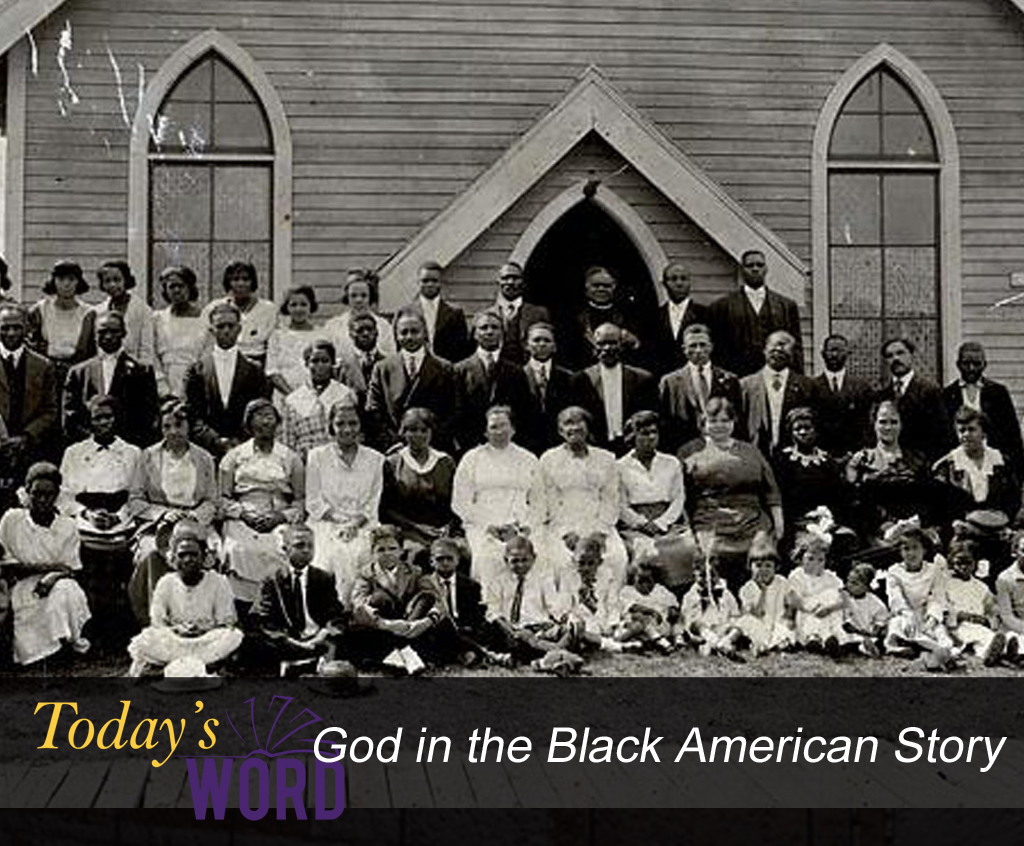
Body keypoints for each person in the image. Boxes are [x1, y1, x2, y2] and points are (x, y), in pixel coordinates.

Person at [58, 395, 142, 652]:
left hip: (121, 520)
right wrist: (86, 514)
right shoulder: (74, 453)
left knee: (121, 557)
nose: (103, 422)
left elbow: (138, 494)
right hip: (86, 520)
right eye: (97, 417)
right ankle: (91, 628)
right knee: (86, 557)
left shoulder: (132, 453)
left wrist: (118, 516)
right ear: (89, 421)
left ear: (117, 419)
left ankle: (119, 632)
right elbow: (64, 496)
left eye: (108, 416)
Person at [127, 399, 220, 627]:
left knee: (214, 553)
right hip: (159, 525)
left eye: (178, 426)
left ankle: (201, 620)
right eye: (166, 426)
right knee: (151, 552)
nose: (173, 432)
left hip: (196, 523)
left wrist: (195, 516)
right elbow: (135, 500)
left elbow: (212, 500)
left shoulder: (204, 458)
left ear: (189, 427)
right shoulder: (147, 456)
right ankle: (157, 622)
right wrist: (162, 513)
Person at [680, 397, 783, 595]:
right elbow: (680, 495)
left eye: (725, 421)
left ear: (734, 422)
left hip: (752, 518)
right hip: (710, 519)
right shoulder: (690, 451)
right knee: (711, 555)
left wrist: (778, 522)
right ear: (703, 423)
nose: (720, 426)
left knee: (762, 553)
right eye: (714, 421)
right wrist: (688, 528)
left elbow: (771, 490)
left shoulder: (750, 450)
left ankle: (761, 604)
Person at [0, 462, 91, 666]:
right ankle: (44, 653)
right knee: (30, 609)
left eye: (48, 494)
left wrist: (53, 576)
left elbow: (72, 569)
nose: (42, 499)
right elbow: (7, 565)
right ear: (27, 492)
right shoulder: (12, 520)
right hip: (21, 585)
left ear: (57, 495)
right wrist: (51, 568)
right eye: (36, 493)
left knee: (68, 590)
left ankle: (66, 643)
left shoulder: (67, 526)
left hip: (58, 582)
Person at [220, 399, 305, 611]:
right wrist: (243, 514)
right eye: (258, 416)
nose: (265, 421)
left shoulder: (290, 458)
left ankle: (276, 609)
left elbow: (301, 499)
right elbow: (222, 498)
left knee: (282, 548)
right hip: (242, 517)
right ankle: (242, 608)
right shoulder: (234, 457)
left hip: (278, 516)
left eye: (270, 416)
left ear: (277, 422)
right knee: (237, 549)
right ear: (249, 424)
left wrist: (281, 517)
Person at [127, 522, 242, 678]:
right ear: (173, 558)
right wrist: (177, 630)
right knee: (145, 639)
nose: (188, 559)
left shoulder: (219, 581)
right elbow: (157, 622)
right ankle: (206, 666)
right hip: (175, 640)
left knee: (232, 636)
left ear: (203, 557)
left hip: (206, 640)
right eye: (182, 555)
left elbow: (226, 620)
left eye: (194, 554)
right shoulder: (165, 582)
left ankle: (168, 667)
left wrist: (203, 630)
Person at [532, 406, 628, 588]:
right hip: (563, 524)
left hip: (598, 522)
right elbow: (548, 501)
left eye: (579, 422)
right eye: (568, 423)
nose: (574, 428)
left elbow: (611, 499)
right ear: (560, 430)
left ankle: (608, 608)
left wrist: (600, 532)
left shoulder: (606, 458)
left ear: (587, 427)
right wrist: (566, 534)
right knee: (562, 561)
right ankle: (570, 610)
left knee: (616, 557)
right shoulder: (548, 459)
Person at [452, 405, 539, 594]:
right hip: (482, 524)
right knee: (488, 558)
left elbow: (539, 501)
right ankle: (492, 612)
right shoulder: (472, 458)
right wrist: (488, 526)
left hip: (520, 523)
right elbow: (460, 501)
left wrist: (521, 526)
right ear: (485, 431)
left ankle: (527, 610)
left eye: (503, 425)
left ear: (513, 429)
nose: (499, 431)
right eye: (493, 427)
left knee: (534, 554)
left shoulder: (529, 459)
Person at [306, 401, 385, 603]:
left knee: (360, 551)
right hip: (326, 522)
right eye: (340, 423)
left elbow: (373, 502)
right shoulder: (317, 457)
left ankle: (359, 609)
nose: (347, 429)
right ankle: (336, 611)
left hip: (364, 523)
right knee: (333, 553)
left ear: (360, 426)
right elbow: (314, 502)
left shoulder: (376, 459)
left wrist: (354, 524)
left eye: (353, 423)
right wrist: (341, 521)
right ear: (331, 426)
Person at [250, 523, 346, 675]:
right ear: (286, 549)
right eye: (299, 546)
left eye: (310, 546)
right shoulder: (272, 579)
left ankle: (320, 666)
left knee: (342, 637)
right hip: (288, 640)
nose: (306, 550)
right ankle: (296, 665)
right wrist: (289, 641)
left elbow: (336, 613)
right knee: (258, 642)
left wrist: (322, 634)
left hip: (318, 638)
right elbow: (263, 617)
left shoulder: (324, 577)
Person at [347, 525, 443, 673]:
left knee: (427, 598)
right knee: (379, 598)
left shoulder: (414, 571)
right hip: (382, 626)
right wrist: (386, 624)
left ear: (401, 551)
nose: (387, 554)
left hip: (411, 623)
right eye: (381, 550)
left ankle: (402, 652)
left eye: (392, 549)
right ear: (372, 553)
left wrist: (423, 622)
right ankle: (405, 651)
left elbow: (435, 598)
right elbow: (359, 605)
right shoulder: (365, 574)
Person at [184, 301, 272, 460]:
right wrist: (216, 441)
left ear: (239, 329)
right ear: (212, 330)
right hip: (206, 451)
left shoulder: (254, 371)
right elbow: (192, 415)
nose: (226, 331)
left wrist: (239, 442)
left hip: (246, 450)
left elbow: (260, 411)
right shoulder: (197, 370)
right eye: (220, 326)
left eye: (231, 326)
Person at [63, 310, 160, 448]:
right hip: (89, 449)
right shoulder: (78, 373)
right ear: (94, 335)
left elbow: (149, 415)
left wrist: (126, 445)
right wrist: (93, 440)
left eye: (114, 331)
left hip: (128, 448)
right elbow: (70, 416)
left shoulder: (142, 372)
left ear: (124, 333)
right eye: (102, 332)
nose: (108, 336)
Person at [616, 411, 690, 592]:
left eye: (654, 432)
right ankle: (646, 598)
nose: (650, 437)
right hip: (635, 527)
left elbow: (678, 498)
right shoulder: (620, 466)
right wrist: (642, 523)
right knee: (644, 550)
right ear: (632, 436)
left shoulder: (671, 462)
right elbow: (620, 504)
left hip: (668, 524)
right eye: (644, 433)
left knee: (686, 547)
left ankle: (677, 597)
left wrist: (661, 523)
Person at [366, 306, 457, 452]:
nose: (409, 337)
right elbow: (374, 411)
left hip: (435, 448)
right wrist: (395, 441)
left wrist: (427, 440)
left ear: (425, 333)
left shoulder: (444, 368)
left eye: (415, 331)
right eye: (404, 332)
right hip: (395, 448)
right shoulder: (383, 368)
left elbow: (453, 410)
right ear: (396, 335)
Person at [845, 400, 935, 543]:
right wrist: (885, 527)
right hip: (877, 532)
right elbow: (856, 503)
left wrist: (916, 523)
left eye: (894, 422)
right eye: (882, 422)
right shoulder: (861, 460)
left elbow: (929, 499)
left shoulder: (918, 460)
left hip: (914, 528)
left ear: (901, 425)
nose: (888, 427)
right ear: (874, 424)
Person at [709, 248, 803, 377]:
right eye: (750, 265)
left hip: (777, 376)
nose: (755, 269)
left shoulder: (786, 306)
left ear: (766, 269)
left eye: (759, 265)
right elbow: (716, 350)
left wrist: (798, 379)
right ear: (742, 270)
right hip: (737, 377)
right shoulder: (722, 307)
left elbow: (795, 349)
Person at [482, 534, 572, 663]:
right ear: (506, 560)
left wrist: (564, 618)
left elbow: (554, 607)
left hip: (538, 628)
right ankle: (557, 652)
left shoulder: (542, 580)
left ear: (533, 558)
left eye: (525, 560)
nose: (520, 565)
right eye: (515, 561)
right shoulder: (498, 582)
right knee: (502, 636)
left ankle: (549, 651)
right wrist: (511, 631)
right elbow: (493, 612)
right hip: (510, 629)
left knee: (566, 631)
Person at [943, 341, 1024, 480]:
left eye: (976, 364)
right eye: (966, 363)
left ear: (984, 364)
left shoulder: (998, 393)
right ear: (958, 364)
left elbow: (1012, 434)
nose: (971, 368)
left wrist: (1017, 471)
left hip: (992, 463)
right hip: (960, 464)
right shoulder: (947, 395)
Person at [453, 309, 531, 453]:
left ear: (502, 333)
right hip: (472, 445)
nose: (489, 332)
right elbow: (457, 410)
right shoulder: (460, 370)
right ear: (475, 334)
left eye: (495, 327)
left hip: (507, 443)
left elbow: (523, 409)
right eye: (484, 328)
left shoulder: (515, 371)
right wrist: (468, 442)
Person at [0, 304, 59, 494]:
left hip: (30, 451)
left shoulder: (43, 365)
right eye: (4, 327)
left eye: (16, 327)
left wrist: (26, 437)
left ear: (26, 328)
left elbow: (50, 410)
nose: (11, 333)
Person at [658, 323, 743, 453]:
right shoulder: (670, 382)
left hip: (722, 449)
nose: (698, 350)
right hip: (683, 449)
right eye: (693, 346)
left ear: (711, 347)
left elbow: (738, 419)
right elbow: (664, 422)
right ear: (684, 349)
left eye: (703, 345)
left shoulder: (730, 380)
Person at [381, 407, 458, 551]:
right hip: (408, 531)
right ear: (403, 432)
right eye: (412, 430)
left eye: (424, 430)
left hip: (443, 531)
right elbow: (387, 509)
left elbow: (457, 502)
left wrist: (448, 527)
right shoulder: (393, 463)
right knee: (416, 552)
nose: (419, 435)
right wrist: (417, 528)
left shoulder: (446, 462)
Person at [575, 323, 657, 456]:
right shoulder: (581, 380)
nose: (607, 348)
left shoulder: (642, 379)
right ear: (594, 346)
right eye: (601, 344)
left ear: (622, 345)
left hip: (632, 449)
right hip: (595, 450)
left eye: (613, 343)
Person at [932, 406, 1022, 526]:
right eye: (961, 430)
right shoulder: (946, 467)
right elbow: (940, 509)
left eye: (972, 429)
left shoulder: (1001, 462)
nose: (966, 435)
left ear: (984, 433)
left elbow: (1013, 500)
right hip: (960, 531)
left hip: (999, 527)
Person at [739, 330, 819, 459]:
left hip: (793, 460)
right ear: (764, 350)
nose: (778, 349)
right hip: (755, 457)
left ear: (792, 354)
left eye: (784, 347)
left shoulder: (807, 386)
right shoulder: (745, 386)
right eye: (773, 347)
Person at [883, 521, 953, 667]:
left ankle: (932, 650)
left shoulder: (934, 570)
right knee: (897, 624)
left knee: (939, 631)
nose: (911, 553)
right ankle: (903, 648)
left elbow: (938, 597)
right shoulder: (894, 572)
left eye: (915, 548)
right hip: (905, 613)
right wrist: (908, 615)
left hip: (926, 613)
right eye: (906, 549)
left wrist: (932, 619)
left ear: (924, 550)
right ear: (900, 552)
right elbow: (896, 598)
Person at [772, 407, 845, 542]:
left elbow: (838, 494)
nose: (803, 432)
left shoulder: (827, 460)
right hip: (797, 522)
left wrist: (827, 515)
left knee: (846, 538)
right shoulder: (783, 459)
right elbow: (782, 497)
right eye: (797, 429)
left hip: (827, 518)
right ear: (791, 432)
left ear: (816, 430)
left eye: (807, 428)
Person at [876, 337, 953, 464]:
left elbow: (942, 434)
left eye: (900, 353)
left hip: (921, 465)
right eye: (890, 356)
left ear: (911, 355)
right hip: (888, 464)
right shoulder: (882, 395)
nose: (896, 359)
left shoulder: (930, 391)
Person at [419, 537, 493, 666]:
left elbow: (475, 616)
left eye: (450, 558)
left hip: (465, 630)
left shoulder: (471, 585)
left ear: (458, 560)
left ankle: (463, 654)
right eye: (440, 559)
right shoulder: (424, 583)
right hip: (438, 629)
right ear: (431, 561)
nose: (445, 562)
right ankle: (478, 654)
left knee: (488, 628)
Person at [281, 339, 357, 461]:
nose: (320, 366)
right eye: (314, 361)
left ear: (333, 363)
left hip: (339, 460)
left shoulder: (345, 394)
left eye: (325, 361)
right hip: (307, 463)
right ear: (306, 364)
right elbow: (288, 442)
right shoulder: (293, 400)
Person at [200, 260, 279, 367]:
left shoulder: (268, 309)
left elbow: (274, 345)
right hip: (223, 362)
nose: (241, 284)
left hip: (257, 365)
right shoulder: (214, 307)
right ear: (228, 282)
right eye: (235, 279)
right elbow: (206, 342)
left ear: (253, 282)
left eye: (246, 279)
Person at [561, 266, 641, 370]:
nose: (601, 289)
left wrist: (634, 343)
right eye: (596, 285)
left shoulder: (628, 314)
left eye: (606, 286)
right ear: (587, 287)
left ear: (614, 287)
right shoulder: (574, 316)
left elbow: (641, 348)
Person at [518, 322, 579, 456]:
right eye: (536, 340)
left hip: (559, 445)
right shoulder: (516, 376)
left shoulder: (568, 378)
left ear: (554, 347)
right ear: (527, 345)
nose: (542, 344)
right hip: (525, 445)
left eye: (547, 340)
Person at [26, 260, 94, 382]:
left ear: (78, 282)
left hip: (76, 370)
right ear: (54, 281)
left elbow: (85, 351)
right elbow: (30, 343)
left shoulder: (88, 313)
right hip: (46, 369)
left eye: (71, 279)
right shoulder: (41, 309)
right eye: (61, 279)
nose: (66, 284)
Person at [152, 266, 209, 398]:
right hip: (164, 381)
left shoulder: (205, 319)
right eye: (172, 286)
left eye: (181, 286)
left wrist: (192, 382)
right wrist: (162, 386)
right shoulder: (157, 319)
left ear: (190, 287)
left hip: (195, 380)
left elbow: (207, 354)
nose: (177, 290)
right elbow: (153, 355)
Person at [786, 528, 846, 655]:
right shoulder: (797, 576)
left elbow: (842, 600)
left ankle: (830, 639)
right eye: (810, 559)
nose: (816, 564)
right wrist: (811, 608)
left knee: (830, 596)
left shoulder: (830, 577)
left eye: (820, 560)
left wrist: (828, 608)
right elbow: (793, 600)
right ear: (801, 559)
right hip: (807, 610)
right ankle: (812, 638)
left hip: (827, 610)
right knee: (811, 618)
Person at [813, 334, 873, 459]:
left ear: (847, 354)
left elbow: (865, 425)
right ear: (823, 354)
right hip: (820, 456)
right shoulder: (811, 387)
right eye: (831, 350)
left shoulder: (861, 388)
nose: (834, 355)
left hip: (854, 456)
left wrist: (854, 454)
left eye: (839, 350)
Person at [734, 531, 794, 656]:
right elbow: (755, 613)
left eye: (768, 566)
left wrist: (788, 616)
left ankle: (776, 643)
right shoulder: (747, 589)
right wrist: (763, 592)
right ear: (750, 567)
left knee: (786, 627)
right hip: (759, 624)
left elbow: (790, 604)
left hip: (778, 623)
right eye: (758, 565)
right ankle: (760, 644)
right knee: (746, 621)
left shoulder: (781, 581)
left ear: (775, 568)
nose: (763, 570)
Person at [944, 538, 1003, 664]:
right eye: (959, 563)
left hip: (978, 622)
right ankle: (988, 653)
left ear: (975, 563)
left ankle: (1008, 650)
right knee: (980, 635)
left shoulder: (981, 587)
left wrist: (988, 619)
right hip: (957, 625)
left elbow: (992, 608)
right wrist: (957, 615)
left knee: (988, 633)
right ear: (951, 562)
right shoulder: (944, 583)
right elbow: (941, 605)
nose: (964, 567)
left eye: (968, 563)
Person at [86, 260, 156, 367]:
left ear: (126, 280)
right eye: (107, 281)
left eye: (117, 280)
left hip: (133, 369)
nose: (112, 285)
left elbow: (146, 349)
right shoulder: (98, 311)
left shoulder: (142, 310)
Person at [266, 286, 329, 403]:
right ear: (287, 307)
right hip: (285, 396)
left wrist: (313, 395)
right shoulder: (277, 336)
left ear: (311, 306)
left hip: (315, 396)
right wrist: (292, 396)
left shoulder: (322, 335)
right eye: (293, 305)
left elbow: (328, 369)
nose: (298, 309)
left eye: (303, 304)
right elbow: (272, 371)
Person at [647, 261, 710, 376]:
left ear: (690, 283)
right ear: (665, 284)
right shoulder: (654, 316)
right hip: (662, 377)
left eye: (683, 279)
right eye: (673, 279)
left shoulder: (705, 314)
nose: (679, 283)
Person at [325, 269, 397, 362]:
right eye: (353, 296)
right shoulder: (333, 326)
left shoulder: (383, 326)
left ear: (370, 297)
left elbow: (391, 357)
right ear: (347, 297)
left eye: (363, 295)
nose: (359, 300)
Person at [407, 260, 471, 364]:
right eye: (425, 281)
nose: (430, 284)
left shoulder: (455, 313)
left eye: (434, 281)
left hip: (446, 371)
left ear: (441, 282)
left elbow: (462, 349)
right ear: (418, 282)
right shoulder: (406, 312)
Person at [491, 261, 550, 366]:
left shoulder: (539, 313)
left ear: (523, 282)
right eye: (505, 278)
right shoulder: (485, 316)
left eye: (515, 278)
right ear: (498, 281)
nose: (510, 282)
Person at [335, 311, 387, 409]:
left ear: (377, 332)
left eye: (369, 329)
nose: (365, 334)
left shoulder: (389, 363)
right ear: (351, 334)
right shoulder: (342, 367)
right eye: (360, 330)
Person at [840, 563, 888, 658]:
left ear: (866, 587)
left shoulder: (873, 601)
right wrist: (858, 631)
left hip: (868, 632)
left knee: (880, 638)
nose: (849, 585)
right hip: (852, 632)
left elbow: (881, 618)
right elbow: (845, 622)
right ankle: (860, 646)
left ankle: (871, 647)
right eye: (848, 581)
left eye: (855, 583)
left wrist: (875, 630)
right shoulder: (844, 599)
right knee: (845, 639)